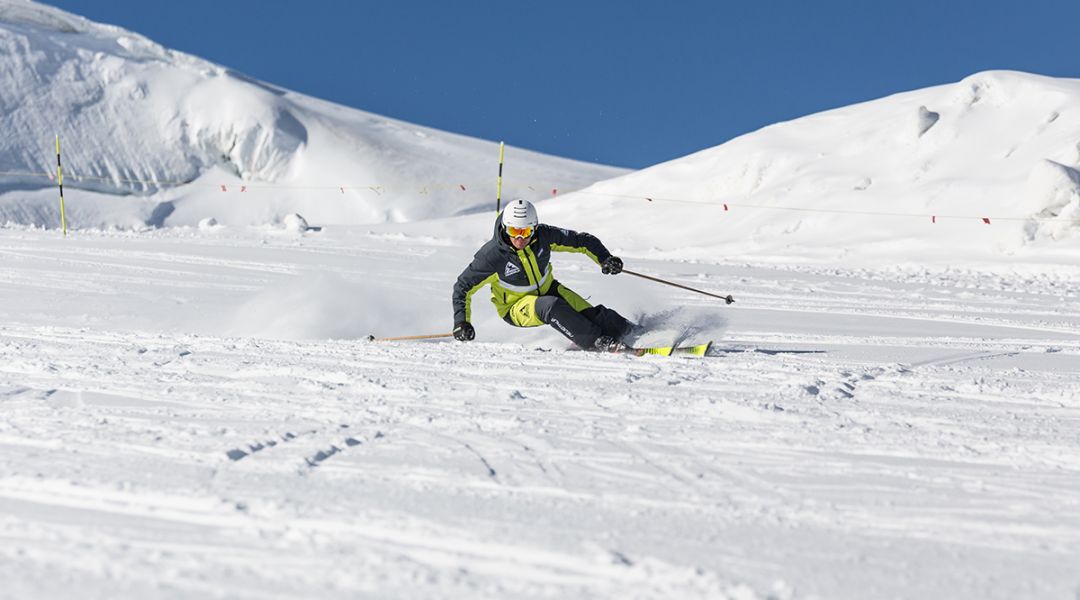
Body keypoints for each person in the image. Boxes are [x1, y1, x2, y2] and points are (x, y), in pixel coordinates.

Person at [452, 198, 636, 352]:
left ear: (534, 227)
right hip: (515, 307)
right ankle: (597, 342)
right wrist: (462, 322)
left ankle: (630, 331)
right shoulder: (491, 256)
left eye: (525, 232)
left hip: (549, 289)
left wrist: (605, 259)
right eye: (514, 231)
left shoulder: (543, 237)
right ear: (505, 228)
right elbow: (462, 287)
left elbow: (583, 241)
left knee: (591, 314)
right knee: (551, 306)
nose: (520, 238)